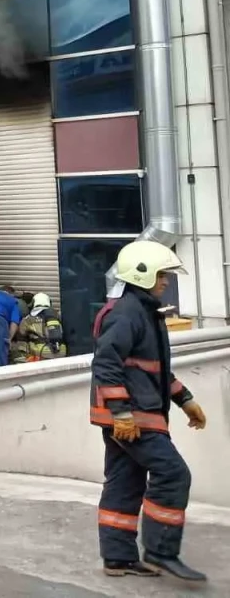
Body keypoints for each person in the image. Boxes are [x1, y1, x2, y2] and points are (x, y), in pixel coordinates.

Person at [92, 240, 207, 583]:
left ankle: (117, 558)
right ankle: (160, 552)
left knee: (124, 483)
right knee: (173, 474)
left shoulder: (144, 313)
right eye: (161, 275)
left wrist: (185, 400)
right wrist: (121, 413)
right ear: (141, 274)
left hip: (132, 414)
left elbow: (153, 370)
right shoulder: (127, 313)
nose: (166, 281)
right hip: (133, 417)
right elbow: (106, 364)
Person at [11, 292, 64, 362]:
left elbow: (20, 334)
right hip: (61, 351)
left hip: (42, 352)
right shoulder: (57, 315)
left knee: (19, 342)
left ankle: (22, 361)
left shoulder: (29, 319)